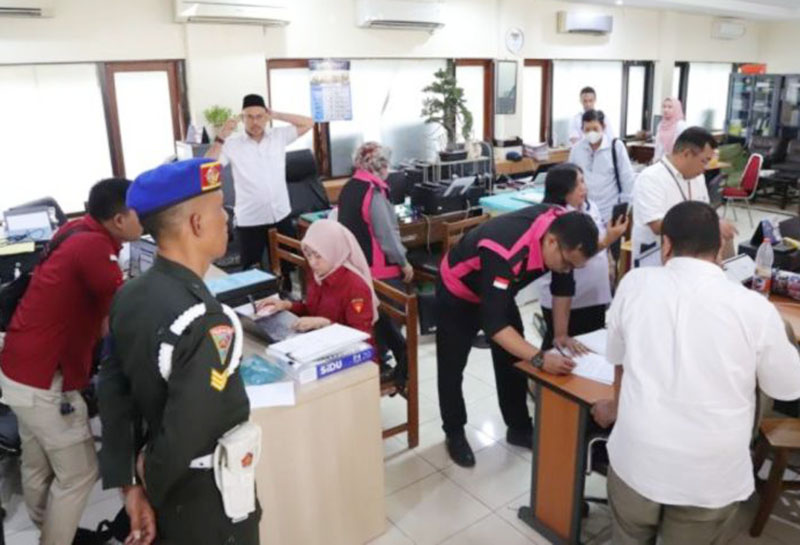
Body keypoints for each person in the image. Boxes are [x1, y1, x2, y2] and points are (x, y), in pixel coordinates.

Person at [591, 201, 800, 545]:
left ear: (666, 244)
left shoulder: (635, 284)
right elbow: (787, 386)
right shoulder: (755, 308)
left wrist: (616, 405)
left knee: (628, 536)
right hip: (709, 472)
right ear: (720, 249)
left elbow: (618, 358)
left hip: (638, 455)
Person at [98, 159, 260, 545]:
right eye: (220, 208)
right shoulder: (207, 322)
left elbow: (113, 392)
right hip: (207, 503)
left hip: (162, 489)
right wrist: (150, 484)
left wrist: (131, 486)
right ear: (197, 224)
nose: (227, 217)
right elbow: (186, 432)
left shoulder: (129, 295)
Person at [0, 179, 142, 545]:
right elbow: (119, 318)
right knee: (80, 474)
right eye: (139, 212)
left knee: (37, 461)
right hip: (45, 380)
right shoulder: (94, 248)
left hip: (17, 368)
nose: (145, 218)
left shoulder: (75, 228)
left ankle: (49, 529)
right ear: (119, 219)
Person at [437, 206, 599, 467]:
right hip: (458, 292)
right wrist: (540, 358)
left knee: (513, 360)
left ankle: (519, 427)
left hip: (499, 291)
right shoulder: (505, 250)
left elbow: (563, 285)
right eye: (567, 263)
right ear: (551, 242)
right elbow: (495, 326)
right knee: (451, 367)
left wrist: (560, 334)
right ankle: (454, 432)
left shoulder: (563, 232)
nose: (567, 269)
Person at [205, 93, 313, 273]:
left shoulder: (278, 136)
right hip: (250, 219)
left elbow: (308, 123)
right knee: (252, 273)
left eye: (259, 116)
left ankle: (286, 291)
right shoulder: (232, 144)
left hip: (280, 215)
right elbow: (207, 169)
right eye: (249, 117)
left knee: (288, 268)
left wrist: (276, 114)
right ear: (242, 118)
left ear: (266, 117)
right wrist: (221, 136)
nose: (255, 122)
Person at [336, 141, 412, 387]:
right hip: (380, 271)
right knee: (390, 322)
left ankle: (379, 364)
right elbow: (387, 236)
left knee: (373, 322)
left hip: (357, 267)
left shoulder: (349, 187)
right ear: (379, 166)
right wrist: (404, 262)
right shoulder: (374, 192)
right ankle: (399, 370)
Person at [538, 164, 628, 350]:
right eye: (578, 183)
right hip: (566, 298)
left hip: (594, 293)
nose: (584, 188)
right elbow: (577, 252)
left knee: (591, 344)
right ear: (564, 189)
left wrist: (610, 262)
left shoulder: (590, 206)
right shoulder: (556, 216)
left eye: (583, 181)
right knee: (561, 345)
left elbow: (599, 236)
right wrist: (608, 240)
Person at [257, 219, 378, 342]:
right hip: (319, 340)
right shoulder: (319, 273)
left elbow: (362, 337)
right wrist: (286, 305)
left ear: (334, 251)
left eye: (318, 256)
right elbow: (311, 309)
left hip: (348, 350)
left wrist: (326, 324)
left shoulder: (355, 287)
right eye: (308, 255)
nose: (312, 263)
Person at [632, 126, 737, 267]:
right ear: (686, 154)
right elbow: (657, 226)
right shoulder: (651, 178)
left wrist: (716, 223)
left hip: (690, 258)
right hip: (656, 261)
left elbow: (705, 211)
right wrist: (709, 226)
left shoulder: (697, 177)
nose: (705, 168)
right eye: (704, 161)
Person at [569, 109, 635, 224]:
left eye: (595, 129)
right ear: (582, 130)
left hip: (610, 212)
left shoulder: (616, 147)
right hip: (585, 213)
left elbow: (628, 181)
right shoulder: (576, 149)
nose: (591, 133)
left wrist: (623, 211)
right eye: (587, 130)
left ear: (603, 127)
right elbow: (570, 179)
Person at [653, 97, 688, 162]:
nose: (666, 110)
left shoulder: (681, 125)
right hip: (661, 162)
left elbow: (684, 147)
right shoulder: (660, 125)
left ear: (676, 109)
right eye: (664, 107)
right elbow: (658, 147)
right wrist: (656, 160)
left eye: (670, 107)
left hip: (676, 162)